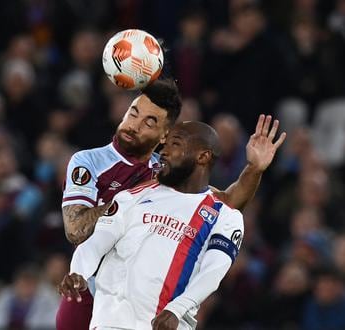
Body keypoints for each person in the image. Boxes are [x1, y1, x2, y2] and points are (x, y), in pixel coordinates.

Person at [57, 78, 285, 329]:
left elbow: (225, 202)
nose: (134, 125)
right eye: (133, 114)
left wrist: (254, 168)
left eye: (149, 122)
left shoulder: (166, 173)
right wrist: (126, 201)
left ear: (163, 135)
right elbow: (75, 230)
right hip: (88, 290)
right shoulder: (91, 161)